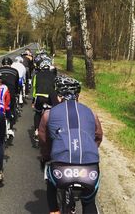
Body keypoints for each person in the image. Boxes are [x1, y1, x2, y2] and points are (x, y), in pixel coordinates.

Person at [38, 75, 103, 214]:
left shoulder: (48, 114)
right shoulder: (91, 113)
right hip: (89, 169)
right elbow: (98, 137)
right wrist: (89, 149)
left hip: (61, 170)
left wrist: (46, 157)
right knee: (89, 202)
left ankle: (54, 210)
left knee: (51, 181)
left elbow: (44, 140)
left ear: (59, 96)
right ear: (78, 95)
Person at [32, 58, 56, 141]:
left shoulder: (36, 75)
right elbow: (55, 88)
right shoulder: (54, 76)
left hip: (39, 97)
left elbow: (34, 88)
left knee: (37, 113)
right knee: (52, 113)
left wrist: (33, 101)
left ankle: (36, 131)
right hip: (50, 97)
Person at [0, 57, 19, 135]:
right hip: (10, 92)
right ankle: (10, 128)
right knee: (12, 109)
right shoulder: (15, 71)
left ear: (2, 64)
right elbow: (16, 84)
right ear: (11, 64)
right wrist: (16, 93)